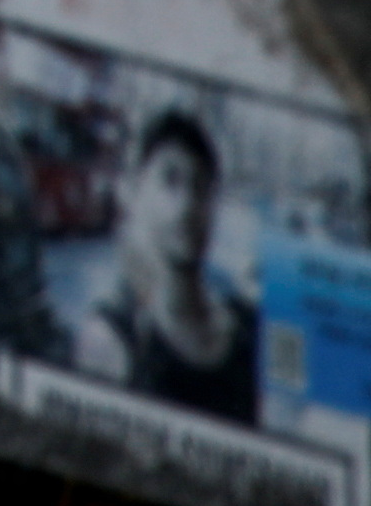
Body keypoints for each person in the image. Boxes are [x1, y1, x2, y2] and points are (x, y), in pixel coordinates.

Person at [86, 108, 262, 423]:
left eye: (201, 187)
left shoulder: (248, 327)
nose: (188, 205)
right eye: (170, 181)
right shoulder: (115, 337)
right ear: (132, 192)